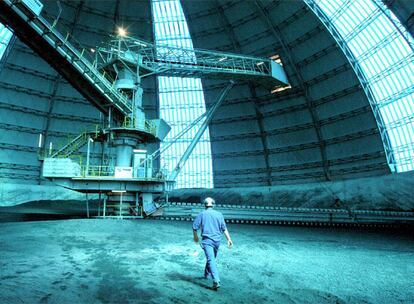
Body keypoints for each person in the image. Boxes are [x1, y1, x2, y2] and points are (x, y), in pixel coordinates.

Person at [192, 197, 233, 290]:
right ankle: (206, 274)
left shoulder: (202, 214)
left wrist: (195, 237)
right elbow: (224, 228)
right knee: (211, 258)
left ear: (204, 205)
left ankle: (216, 280)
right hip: (217, 241)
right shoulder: (219, 214)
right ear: (213, 205)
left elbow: (194, 227)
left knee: (211, 259)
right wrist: (229, 239)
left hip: (207, 241)